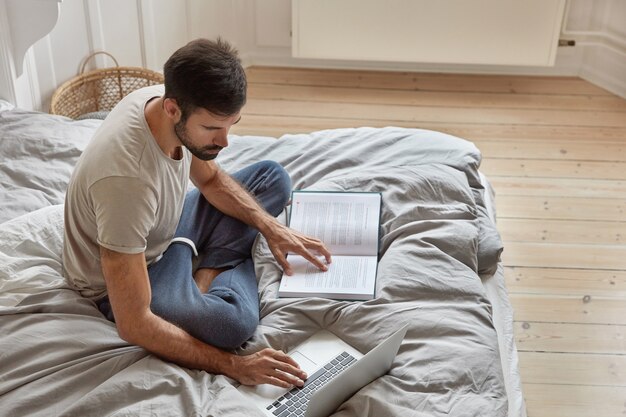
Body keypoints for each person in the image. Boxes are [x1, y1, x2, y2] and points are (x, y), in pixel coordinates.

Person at [63, 38, 332, 388]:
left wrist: (270, 228)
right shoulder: (125, 181)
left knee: (272, 178)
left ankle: (205, 269)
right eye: (211, 129)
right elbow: (133, 322)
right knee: (232, 325)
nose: (224, 142)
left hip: (165, 226)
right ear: (173, 109)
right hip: (131, 275)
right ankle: (215, 267)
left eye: (230, 125)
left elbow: (211, 181)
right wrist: (233, 365)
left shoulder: (165, 101)